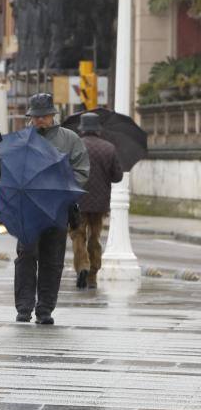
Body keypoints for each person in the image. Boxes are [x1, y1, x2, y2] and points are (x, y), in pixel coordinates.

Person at [14, 94, 90, 325]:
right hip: (28, 209)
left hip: (57, 208)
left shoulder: (70, 139)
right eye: (35, 117)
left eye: (43, 116)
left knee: (53, 259)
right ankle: (24, 308)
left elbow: (82, 172)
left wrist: (62, 184)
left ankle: (45, 308)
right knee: (26, 257)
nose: (39, 121)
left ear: (52, 115)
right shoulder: (21, 140)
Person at [69, 112, 123, 289]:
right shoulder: (109, 148)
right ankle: (92, 275)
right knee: (95, 236)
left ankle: (82, 266)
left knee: (77, 235)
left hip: (78, 201)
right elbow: (117, 177)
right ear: (98, 129)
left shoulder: (75, 146)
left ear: (82, 129)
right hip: (100, 203)